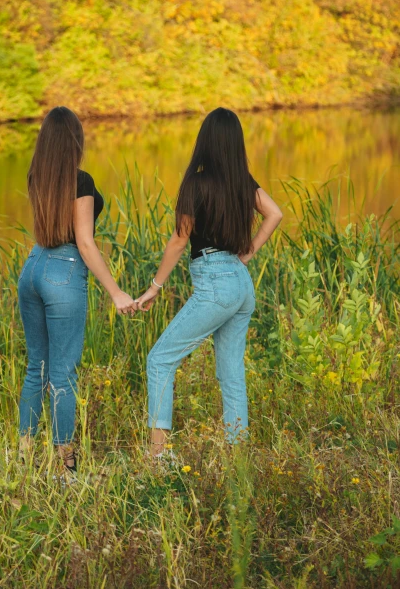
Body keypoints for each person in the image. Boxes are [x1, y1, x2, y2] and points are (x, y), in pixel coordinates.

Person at [136, 108, 283, 457]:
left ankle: (158, 459)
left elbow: (178, 240)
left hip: (216, 283)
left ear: (205, 141)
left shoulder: (196, 183)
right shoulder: (242, 182)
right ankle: (237, 458)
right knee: (231, 374)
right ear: (234, 144)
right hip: (240, 284)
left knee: (159, 360)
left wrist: (154, 287)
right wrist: (246, 254)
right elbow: (275, 213)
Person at [17, 106, 137, 475]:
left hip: (33, 267)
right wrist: (116, 292)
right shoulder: (80, 181)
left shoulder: (36, 175)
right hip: (64, 272)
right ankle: (66, 466)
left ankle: (23, 458)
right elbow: (85, 243)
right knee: (63, 374)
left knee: (36, 368)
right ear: (75, 141)